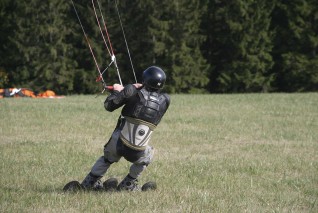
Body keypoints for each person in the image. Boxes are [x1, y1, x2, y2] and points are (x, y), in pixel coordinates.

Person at [80, 66, 170, 191]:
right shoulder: (165, 101)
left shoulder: (131, 91)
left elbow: (108, 106)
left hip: (118, 144)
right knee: (148, 154)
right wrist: (132, 89)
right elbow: (148, 101)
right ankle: (129, 183)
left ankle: (90, 182)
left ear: (145, 79)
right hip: (139, 151)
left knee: (106, 159)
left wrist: (119, 91)